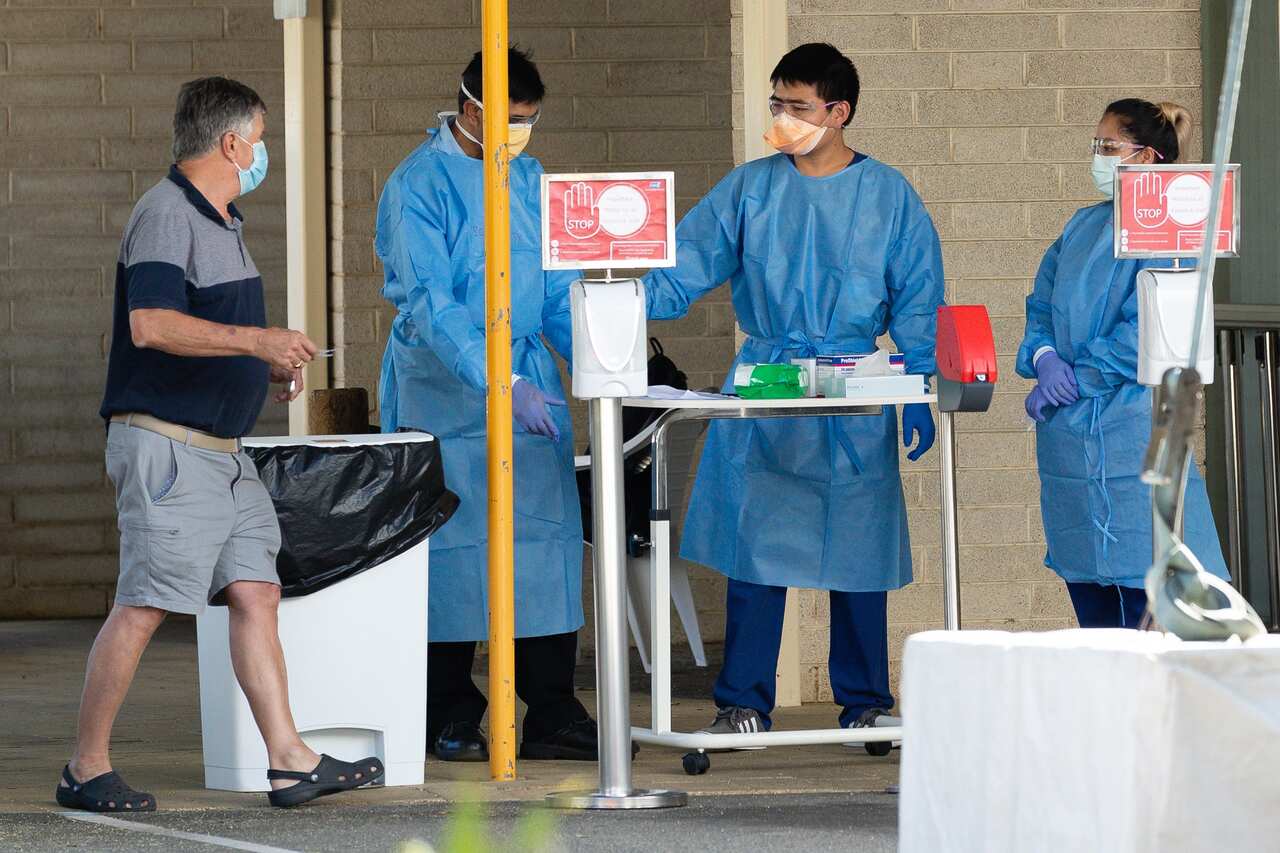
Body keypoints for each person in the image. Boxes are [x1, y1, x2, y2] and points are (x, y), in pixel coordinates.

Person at [63, 77, 383, 813]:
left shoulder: (223, 220)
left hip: (225, 454)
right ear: (232, 142)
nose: (263, 151)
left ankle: (290, 760)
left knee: (256, 590)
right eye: (261, 136)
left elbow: (204, 327)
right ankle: (85, 766)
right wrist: (257, 338)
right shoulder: (166, 214)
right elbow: (150, 323)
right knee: (144, 602)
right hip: (171, 451)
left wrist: (261, 362)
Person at [641, 43, 944, 737]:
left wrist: (921, 381)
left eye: (797, 106)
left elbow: (919, 294)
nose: (781, 118)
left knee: (859, 553)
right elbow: (683, 267)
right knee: (758, 547)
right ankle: (743, 698)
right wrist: (613, 296)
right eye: (776, 104)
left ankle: (865, 700)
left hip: (853, 387)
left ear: (839, 112)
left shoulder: (889, 194)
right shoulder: (749, 189)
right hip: (770, 383)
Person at [377, 48, 605, 762]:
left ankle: (552, 707)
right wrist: (498, 378)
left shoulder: (530, 179)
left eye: (530, 121)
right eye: (511, 120)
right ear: (470, 105)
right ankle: (447, 708)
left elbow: (558, 291)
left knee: (541, 543)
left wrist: (606, 363)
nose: (520, 133)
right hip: (443, 390)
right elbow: (433, 304)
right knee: (448, 547)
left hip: (528, 386)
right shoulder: (418, 187)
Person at [1017, 98, 1230, 628]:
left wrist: (1079, 378)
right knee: (1088, 587)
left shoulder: (1169, 236)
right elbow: (1040, 304)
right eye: (1097, 146)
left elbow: (1151, 330)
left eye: (1109, 147)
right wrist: (1044, 359)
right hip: (1070, 435)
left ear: (1149, 157)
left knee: (1149, 588)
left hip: (1136, 423)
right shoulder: (1080, 227)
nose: (1098, 157)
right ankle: (1102, 709)